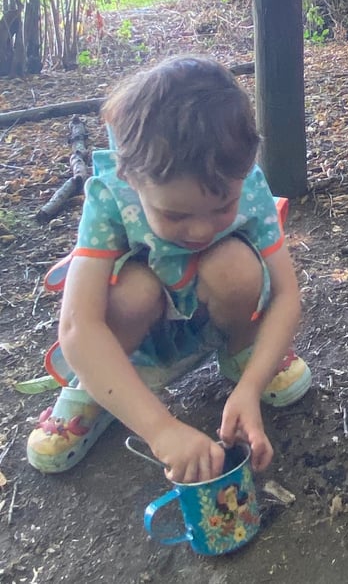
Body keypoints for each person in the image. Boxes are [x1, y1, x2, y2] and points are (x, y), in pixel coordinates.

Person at [26, 55, 311, 483]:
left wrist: (250, 386)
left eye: (221, 208)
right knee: (130, 292)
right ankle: (98, 387)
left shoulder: (246, 183)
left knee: (235, 265)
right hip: (136, 327)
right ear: (131, 178)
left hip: (205, 308)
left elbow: (287, 294)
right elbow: (78, 328)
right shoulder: (111, 196)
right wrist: (160, 431)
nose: (199, 229)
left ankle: (242, 353)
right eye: (175, 215)